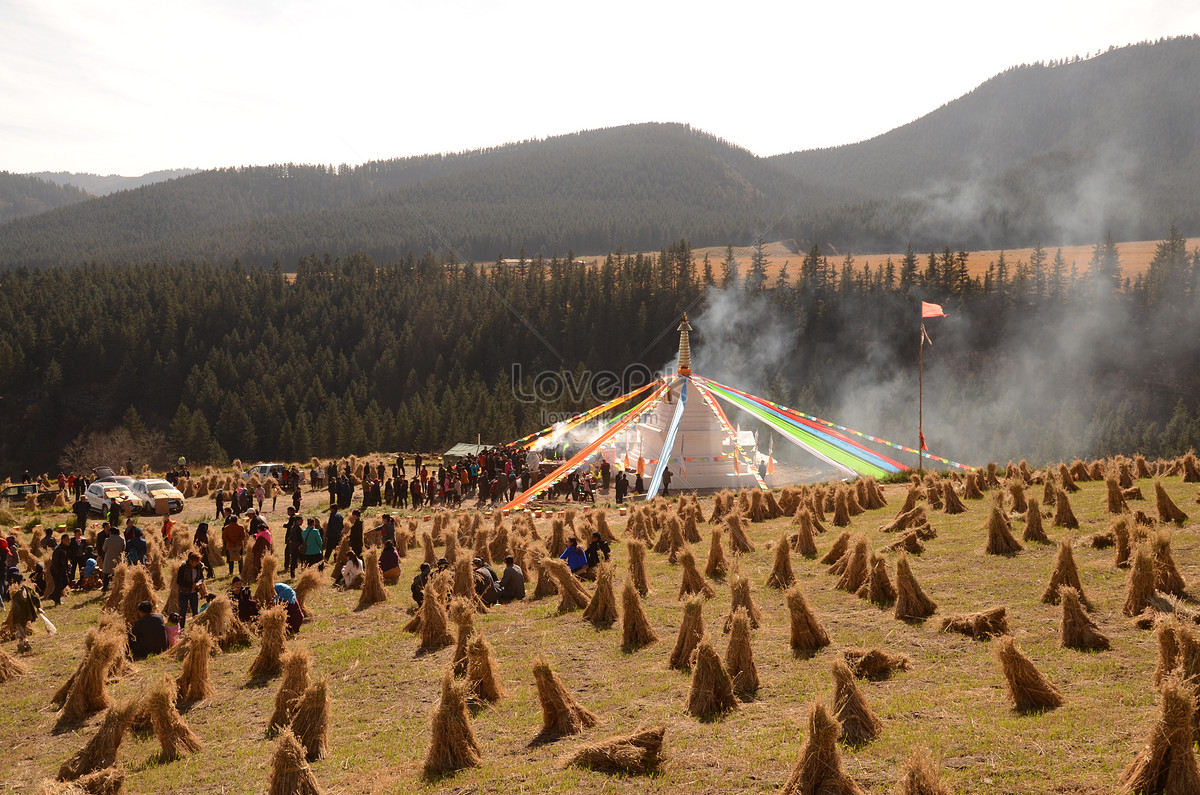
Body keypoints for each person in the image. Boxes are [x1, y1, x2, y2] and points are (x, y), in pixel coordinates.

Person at [8, 572, 42, 652]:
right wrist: (38, 607)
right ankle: (23, 643)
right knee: (23, 628)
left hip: (19, 614)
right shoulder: (27, 589)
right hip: (28, 613)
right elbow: (35, 598)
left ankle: (24, 643)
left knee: (20, 628)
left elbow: (15, 606)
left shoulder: (15, 592)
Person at [176, 552, 205, 629]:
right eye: (195, 562)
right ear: (191, 561)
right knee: (183, 612)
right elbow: (179, 581)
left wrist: (199, 583)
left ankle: (195, 628)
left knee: (195, 612)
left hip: (194, 593)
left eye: (198, 562)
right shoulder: (183, 567)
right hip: (184, 593)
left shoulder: (198, 567)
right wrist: (190, 585)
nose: (196, 563)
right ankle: (181, 628)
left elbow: (202, 577)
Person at [100, 524, 125, 592]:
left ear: (111, 532)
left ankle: (105, 587)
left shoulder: (108, 540)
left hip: (108, 559)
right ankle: (116, 588)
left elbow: (104, 549)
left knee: (106, 574)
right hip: (118, 559)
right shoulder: (122, 540)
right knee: (116, 574)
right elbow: (124, 548)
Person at [49, 532, 70, 605]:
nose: (69, 541)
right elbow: (55, 561)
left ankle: (53, 595)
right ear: (63, 540)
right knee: (59, 585)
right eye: (67, 540)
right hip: (56, 569)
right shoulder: (58, 549)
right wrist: (57, 571)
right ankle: (57, 600)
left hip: (62, 569)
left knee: (66, 582)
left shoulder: (65, 548)